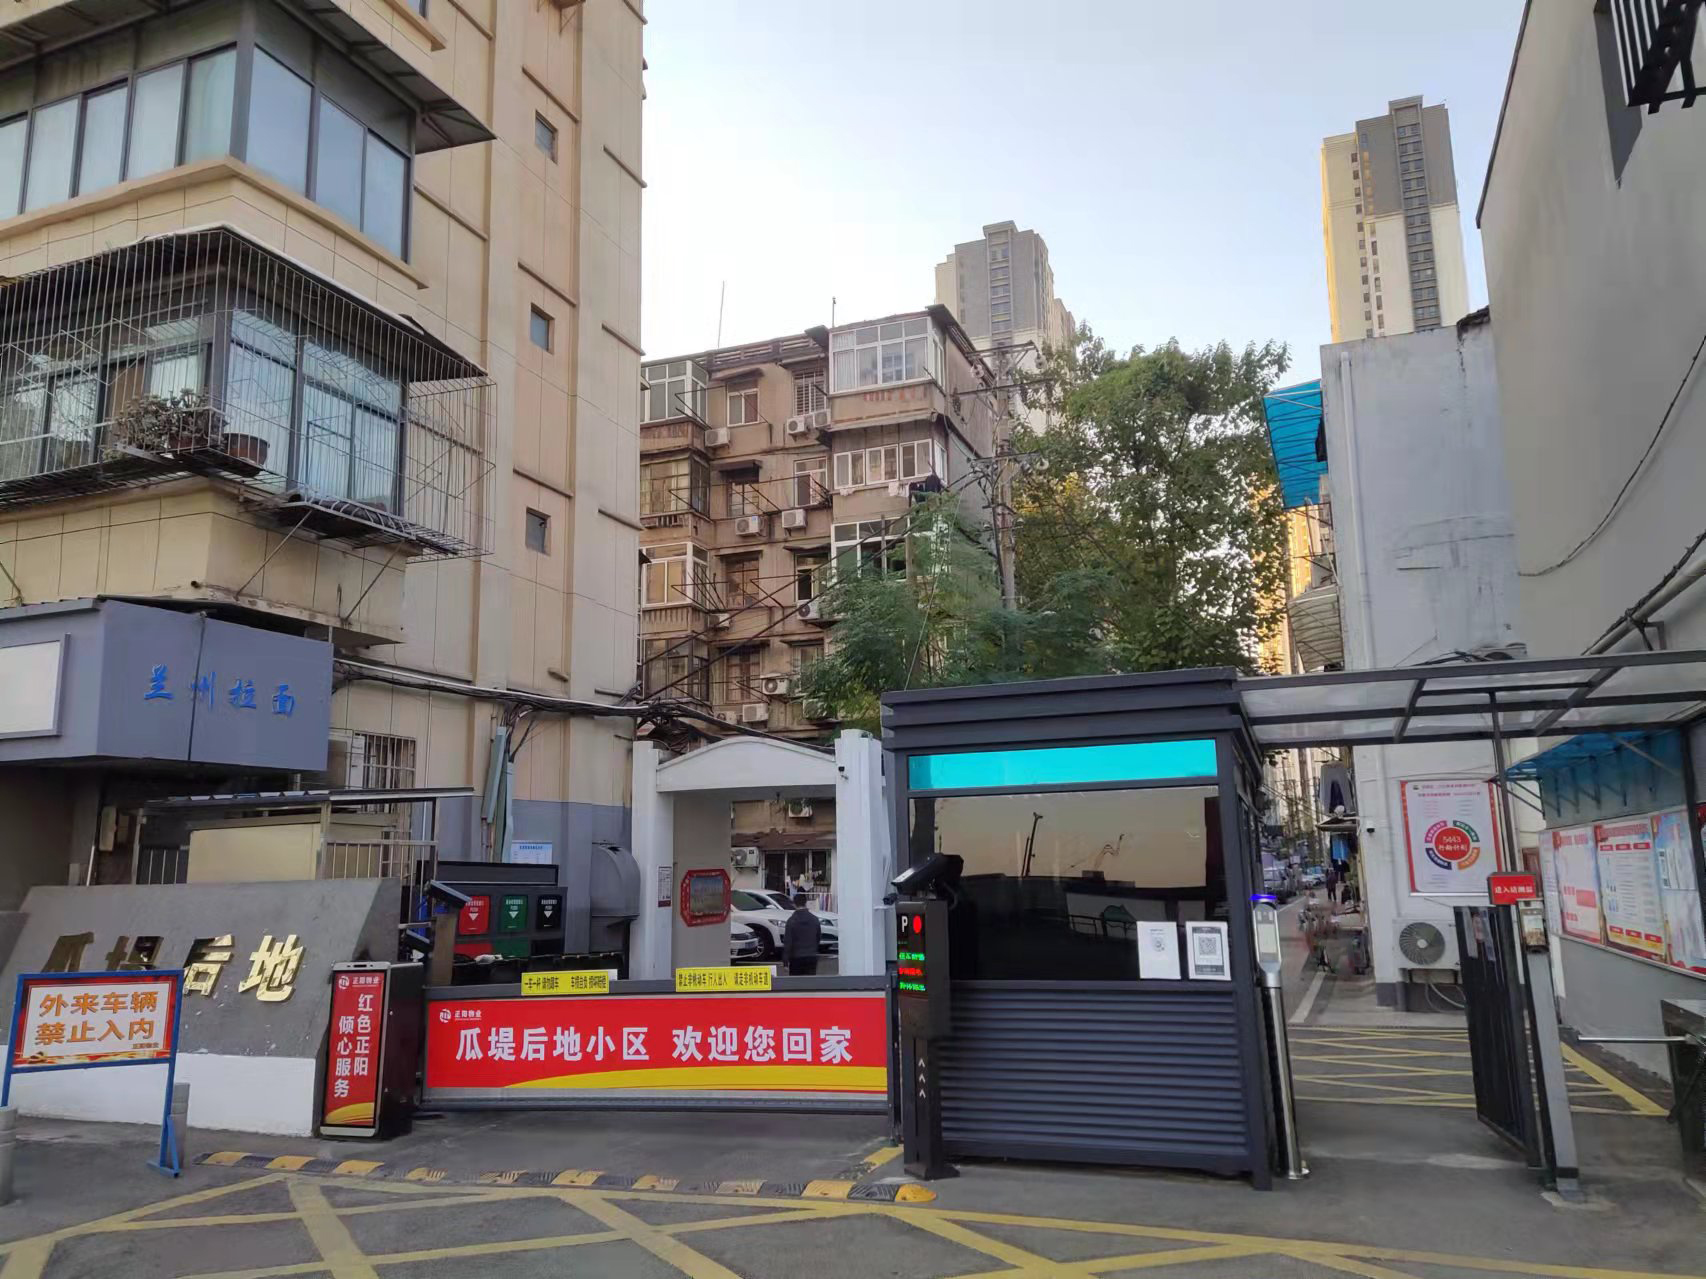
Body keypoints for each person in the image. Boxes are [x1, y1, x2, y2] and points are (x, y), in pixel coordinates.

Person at [781, 893, 822, 977]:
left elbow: (788, 942)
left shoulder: (791, 921)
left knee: (796, 983)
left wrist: (785, 962)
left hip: (796, 957)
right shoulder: (814, 919)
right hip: (811, 956)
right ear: (806, 902)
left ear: (794, 904)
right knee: (810, 982)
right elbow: (818, 937)